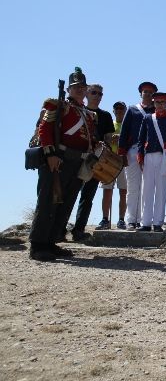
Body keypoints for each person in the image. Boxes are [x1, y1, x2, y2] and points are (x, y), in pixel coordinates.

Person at [29, 67, 96, 261]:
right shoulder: (57, 105)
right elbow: (45, 129)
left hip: (77, 162)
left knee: (65, 202)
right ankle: (38, 244)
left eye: (83, 87)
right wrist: (50, 154)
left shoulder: (87, 114)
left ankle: (51, 241)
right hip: (58, 159)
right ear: (68, 89)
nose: (80, 90)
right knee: (48, 201)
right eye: (76, 87)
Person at [71, 83, 115, 240]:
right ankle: (59, 229)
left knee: (87, 196)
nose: (97, 96)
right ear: (87, 93)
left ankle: (78, 230)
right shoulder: (77, 110)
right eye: (94, 92)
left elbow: (109, 139)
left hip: (95, 160)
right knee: (70, 194)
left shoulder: (106, 116)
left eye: (100, 94)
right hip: (75, 157)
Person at [136, 92, 166, 232]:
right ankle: (145, 223)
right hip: (148, 156)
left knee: (161, 190)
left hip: (163, 156)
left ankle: (158, 222)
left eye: (162, 102)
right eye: (157, 102)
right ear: (154, 103)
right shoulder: (148, 118)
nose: (160, 104)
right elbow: (141, 139)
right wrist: (140, 157)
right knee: (146, 190)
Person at [118, 81, 157, 229]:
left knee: (147, 188)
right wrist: (122, 153)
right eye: (145, 91)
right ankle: (131, 219)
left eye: (150, 92)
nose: (147, 94)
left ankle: (144, 220)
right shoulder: (132, 109)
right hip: (133, 150)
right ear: (141, 93)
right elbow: (124, 132)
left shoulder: (156, 111)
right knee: (133, 187)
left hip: (150, 152)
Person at [97, 101, 128, 230]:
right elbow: (103, 139)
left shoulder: (128, 125)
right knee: (107, 190)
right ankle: (105, 219)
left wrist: (121, 139)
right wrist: (110, 139)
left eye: (122, 108)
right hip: (109, 160)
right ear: (113, 111)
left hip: (123, 161)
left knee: (123, 192)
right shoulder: (110, 124)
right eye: (117, 108)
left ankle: (121, 219)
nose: (119, 110)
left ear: (125, 110)